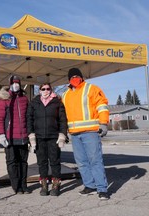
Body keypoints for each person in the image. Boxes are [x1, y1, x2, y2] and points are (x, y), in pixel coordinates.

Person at [62, 68, 110, 200]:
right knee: (81, 162)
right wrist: (64, 131)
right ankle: (90, 186)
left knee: (95, 161)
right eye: (72, 76)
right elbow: (63, 115)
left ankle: (102, 189)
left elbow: (102, 106)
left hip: (91, 132)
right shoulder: (65, 95)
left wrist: (104, 123)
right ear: (69, 79)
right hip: (74, 134)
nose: (75, 78)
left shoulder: (91, 89)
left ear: (82, 77)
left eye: (77, 76)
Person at [27, 83, 67, 196]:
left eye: (48, 89)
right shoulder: (34, 103)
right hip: (39, 137)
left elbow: (63, 120)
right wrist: (31, 135)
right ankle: (44, 184)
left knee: (55, 161)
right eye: (43, 89)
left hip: (53, 137)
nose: (46, 91)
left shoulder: (57, 102)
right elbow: (29, 119)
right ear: (39, 90)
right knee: (42, 162)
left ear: (51, 90)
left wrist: (62, 135)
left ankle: (56, 184)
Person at [0, 75, 31, 195]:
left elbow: (28, 117)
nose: (15, 85)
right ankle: (16, 186)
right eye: (13, 83)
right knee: (11, 162)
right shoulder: (4, 99)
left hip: (23, 136)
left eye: (17, 83)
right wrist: (1, 134)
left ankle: (24, 185)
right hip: (9, 136)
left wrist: (30, 134)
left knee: (23, 162)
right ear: (9, 84)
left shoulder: (24, 99)